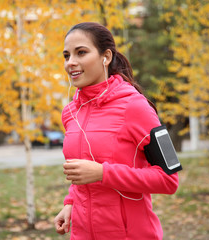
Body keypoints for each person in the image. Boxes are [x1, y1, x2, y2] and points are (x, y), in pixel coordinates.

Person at [54, 22, 179, 240]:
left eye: (81, 52)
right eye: (66, 56)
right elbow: (81, 174)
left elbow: (169, 180)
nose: (70, 63)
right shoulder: (70, 112)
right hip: (82, 234)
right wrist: (71, 203)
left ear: (106, 57)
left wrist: (103, 173)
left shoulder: (136, 107)